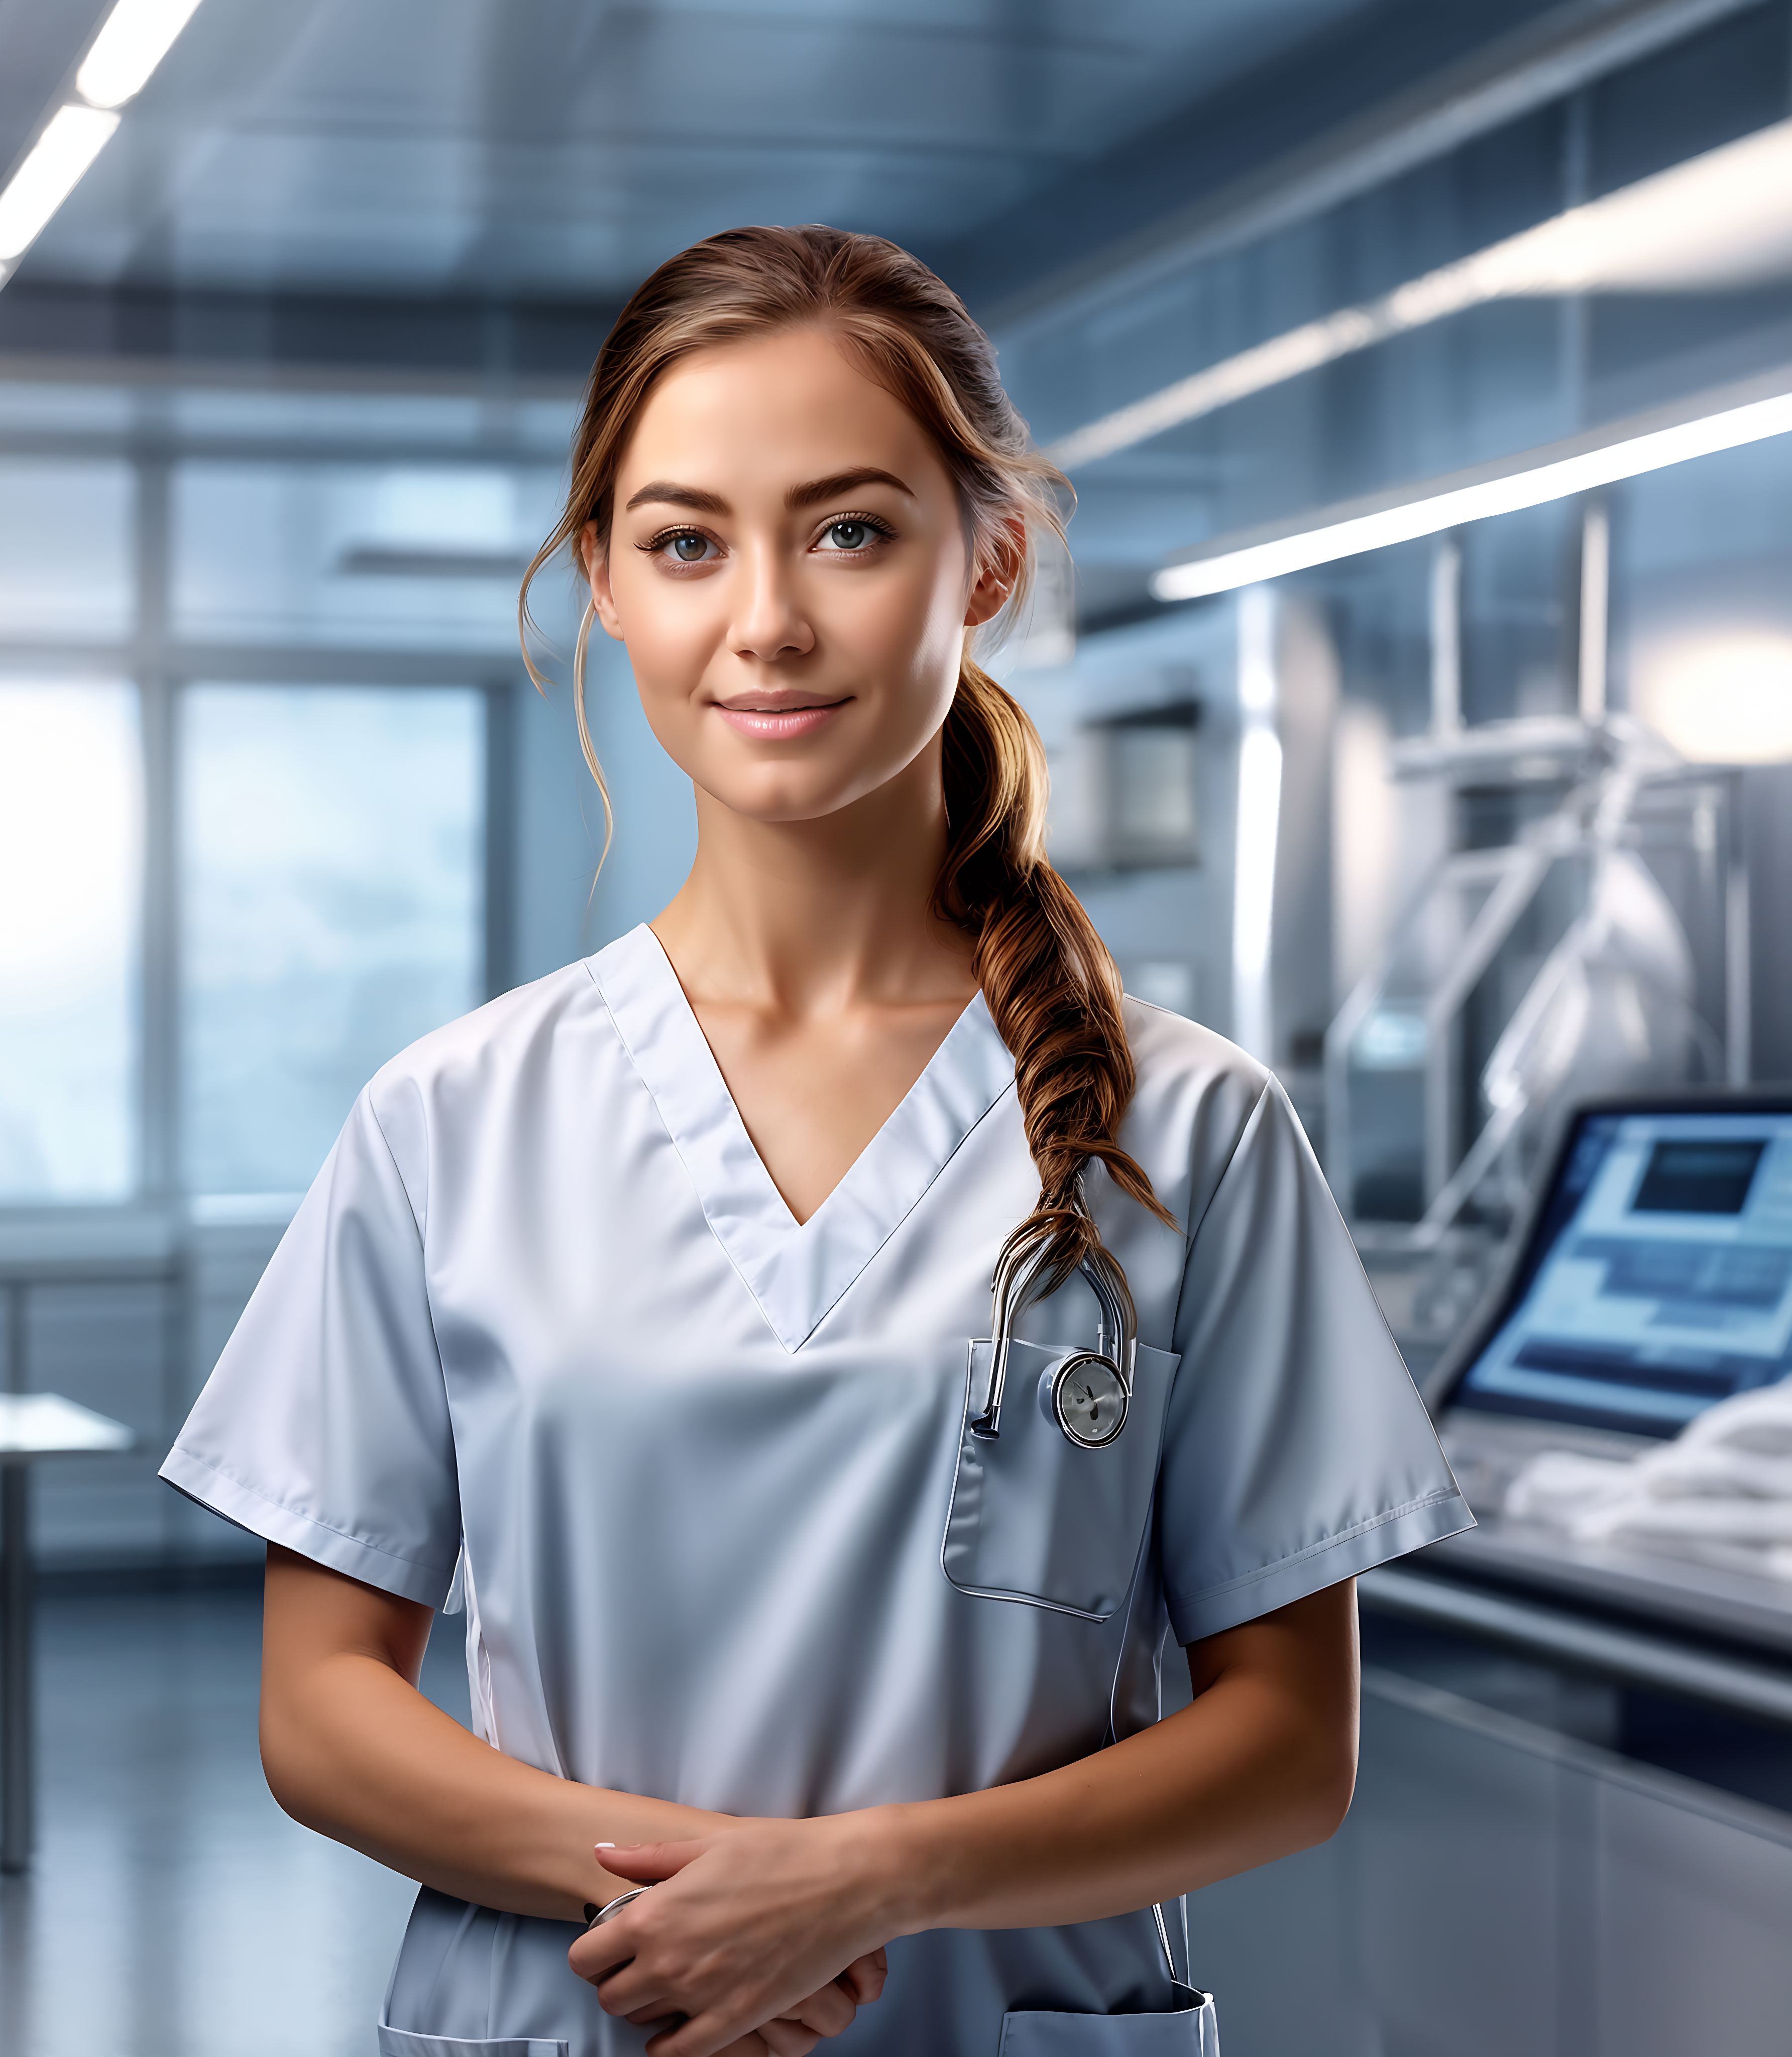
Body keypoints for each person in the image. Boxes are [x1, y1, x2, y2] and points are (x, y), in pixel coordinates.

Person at [161, 224, 1471, 2057]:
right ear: (605, 585)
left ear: (986, 560)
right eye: (685, 541)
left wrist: (864, 1888)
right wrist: (682, 1905)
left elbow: (1286, 1746)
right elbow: (321, 1702)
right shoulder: (451, 1121)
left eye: (850, 530)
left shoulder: (1191, 1130)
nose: (765, 618)